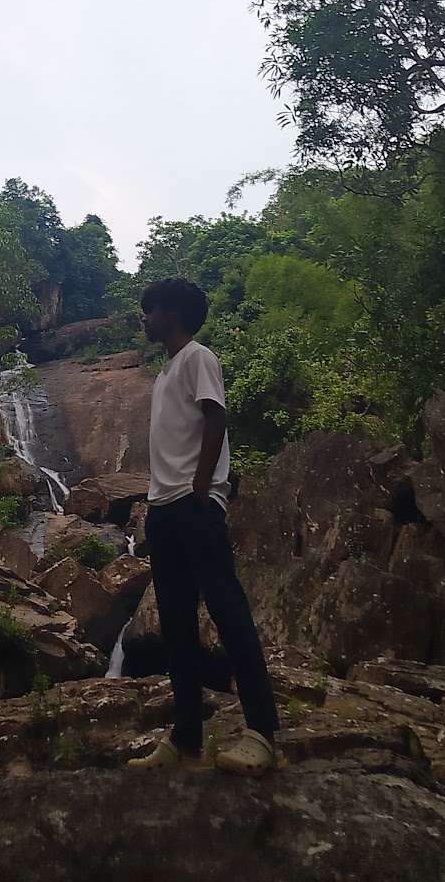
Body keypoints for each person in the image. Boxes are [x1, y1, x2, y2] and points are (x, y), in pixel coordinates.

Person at [126, 275, 279, 774]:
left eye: (151, 309)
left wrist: (200, 486)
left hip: (195, 504)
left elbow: (217, 418)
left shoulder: (197, 357)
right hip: (163, 508)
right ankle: (186, 736)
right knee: (175, 626)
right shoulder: (165, 373)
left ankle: (261, 731)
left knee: (227, 611)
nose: (144, 316)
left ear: (173, 312)